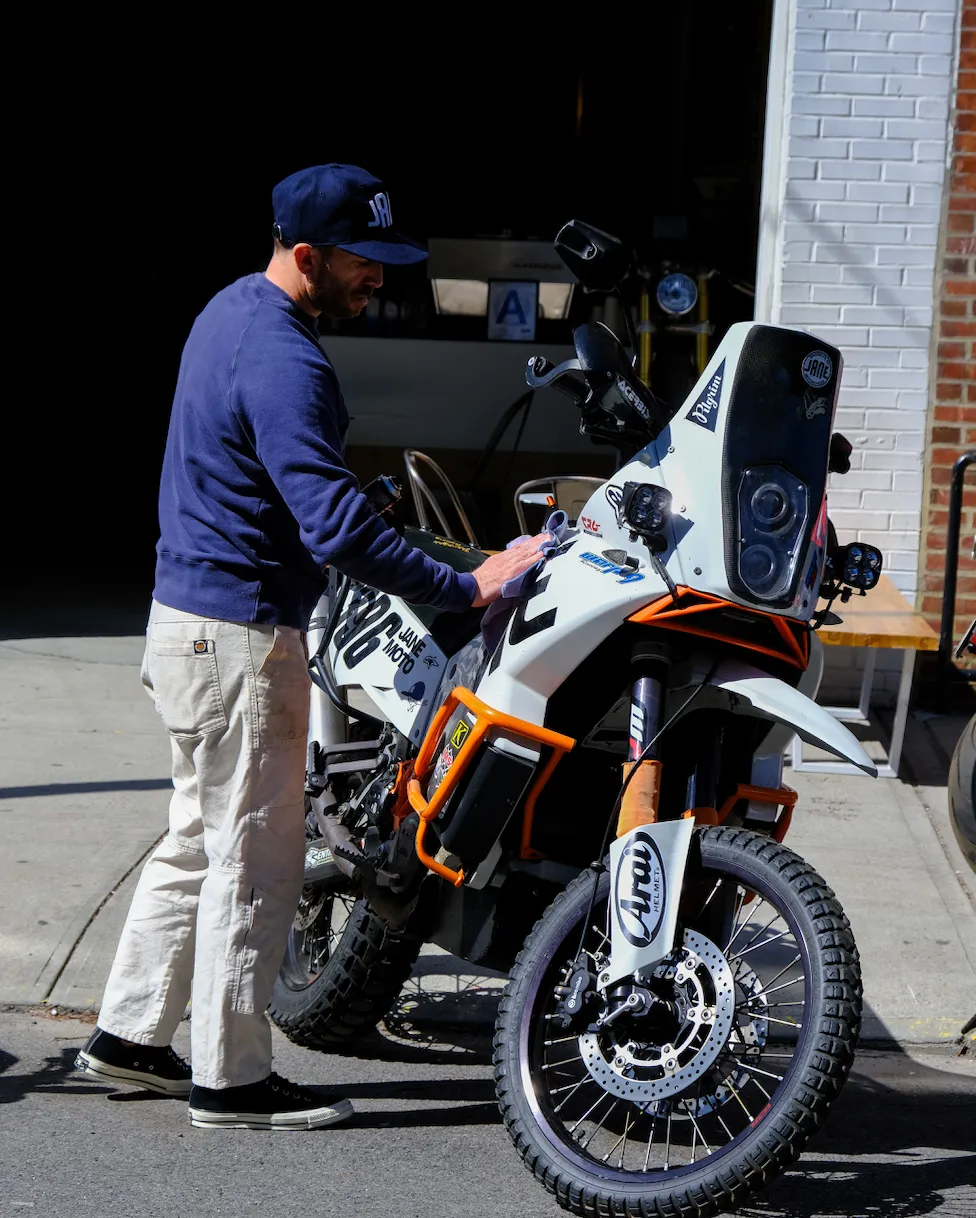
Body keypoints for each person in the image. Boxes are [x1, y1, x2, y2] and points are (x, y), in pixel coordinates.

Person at [74, 163, 547, 1131]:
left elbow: (281, 485)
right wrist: (468, 585)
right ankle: (231, 1080)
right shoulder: (287, 357)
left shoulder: (229, 313)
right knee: (255, 858)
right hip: (240, 637)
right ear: (306, 255)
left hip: (188, 629)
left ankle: (127, 1040)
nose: (378, 277)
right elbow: (331, 525)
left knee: (197, 841)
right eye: (362, 262)